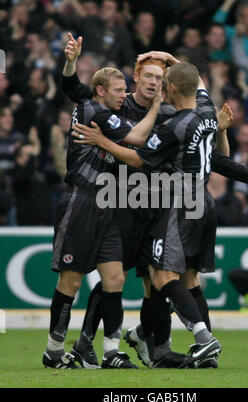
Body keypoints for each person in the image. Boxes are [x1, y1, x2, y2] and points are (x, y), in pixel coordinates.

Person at [72, 61, 248, 367]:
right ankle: (95, 342)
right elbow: (200, 95)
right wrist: (245, 172)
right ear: (136, 78)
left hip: (171, 205)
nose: (155, 83)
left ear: (170, 87)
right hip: (131, 204)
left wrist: (103, 142)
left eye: (160, 78)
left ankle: (170, 344)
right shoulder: (191, 110)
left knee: (162, 279)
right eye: (148, 76)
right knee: (124, 276)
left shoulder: (172, 120)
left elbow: (141, 157)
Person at [43, 35, 162, 369]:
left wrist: (70, 62)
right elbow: (137, 138)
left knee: (115, 280)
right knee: (71, 281)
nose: (125, 94)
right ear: (100, 91)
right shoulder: (95, 111)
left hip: (109, 204)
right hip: (82, 200)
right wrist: (155, 106)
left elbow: (70, 82)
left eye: (125, 88)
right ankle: (54, 351)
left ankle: (111, 350)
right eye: (119, 89)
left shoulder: (101, 107)